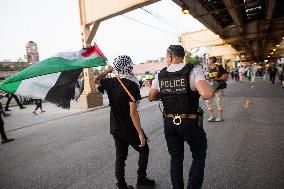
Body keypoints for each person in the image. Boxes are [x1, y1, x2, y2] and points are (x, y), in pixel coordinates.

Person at [148, 45, 213, 189]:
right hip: (189, 121)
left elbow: (151, 96)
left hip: (169, 122)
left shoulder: (161, 74)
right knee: (198, 154)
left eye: (166, 57)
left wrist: (167, 92)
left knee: (176, 158)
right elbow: (208, 94)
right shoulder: (194, 70)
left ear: (170, 57)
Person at [94, 55, 155, 189]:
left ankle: (121, 185)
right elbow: (133, 113)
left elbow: (96, 80)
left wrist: (107, 71)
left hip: (115, 127)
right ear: (129, 66)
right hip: (129, 127)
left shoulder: (110, 82)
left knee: (120, 157)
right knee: (144, 150)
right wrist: (140, 133)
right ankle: (141, 180)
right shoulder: (131, 85)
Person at [206, 57, 229, 122]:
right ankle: (212, 116)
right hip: (210, 88)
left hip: (218, 88)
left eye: (208, 60)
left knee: (218, 102)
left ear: (211, 61)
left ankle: (220, 117)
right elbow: (208, 77)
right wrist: (208, 78)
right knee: (208, 102)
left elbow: (225, 76)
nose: (207, 62)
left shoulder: (219, 67)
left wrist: (217, 79)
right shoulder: (209, 69)